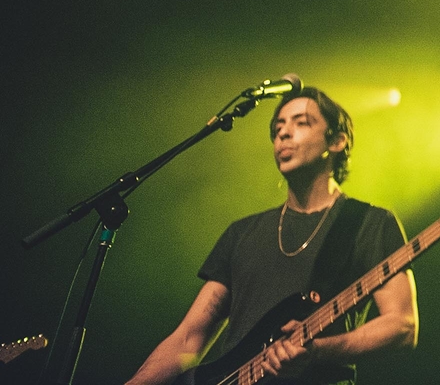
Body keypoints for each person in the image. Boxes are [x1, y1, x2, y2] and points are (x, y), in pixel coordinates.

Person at [125, 88, 417, 385]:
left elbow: (402, 325)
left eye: (301, 123)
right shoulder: (242, 233)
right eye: (278, 128)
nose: (284, 134)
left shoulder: (368, 223)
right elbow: (189, 338)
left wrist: (317, 351)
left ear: (337, 141)